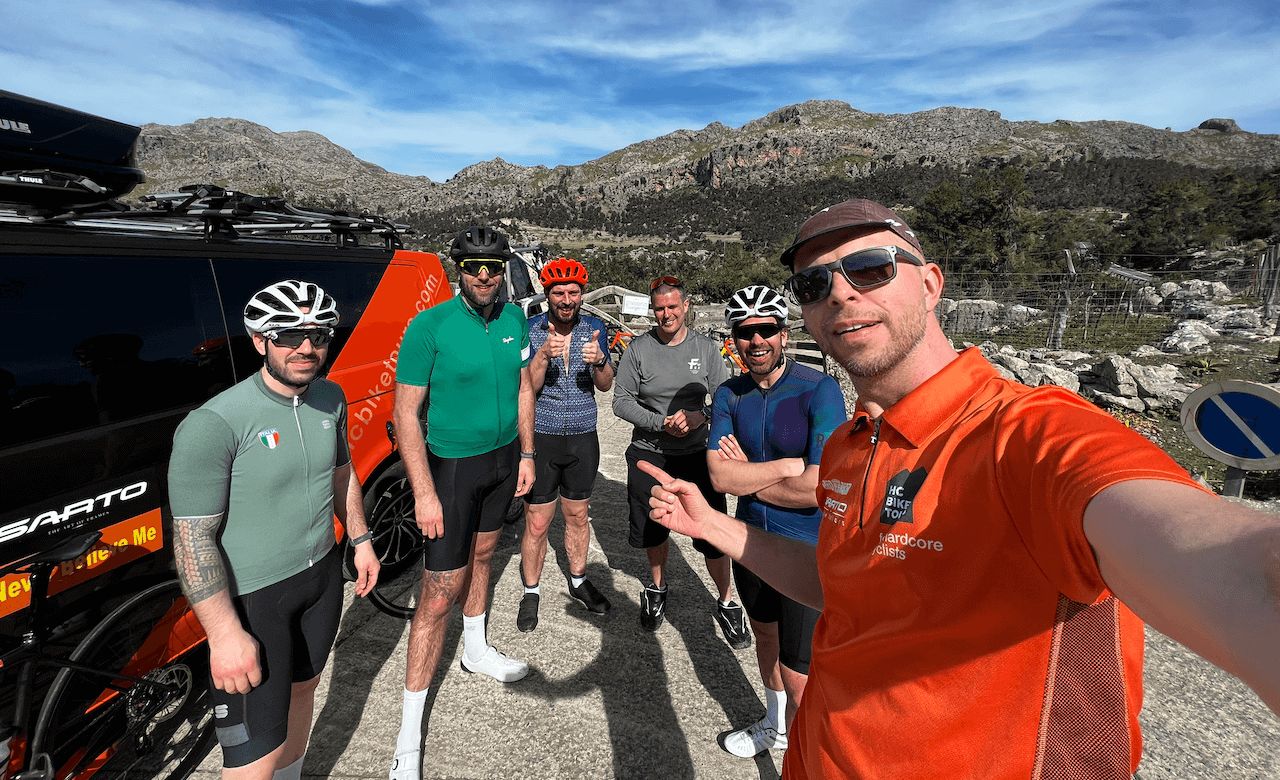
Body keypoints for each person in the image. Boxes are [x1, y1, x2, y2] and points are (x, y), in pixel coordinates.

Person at [642, 198, 1280, 780]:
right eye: (815, 283)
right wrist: (713, 524)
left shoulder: (1030, 434)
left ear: (931, 283)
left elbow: (1222, 557)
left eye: (870, 268)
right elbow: (844, 581)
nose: (839, 294)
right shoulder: (848, 444)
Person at [169, 280, 379, 780]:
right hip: (253, 598)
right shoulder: (214, 422)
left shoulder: (331, 396)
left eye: (319, 335)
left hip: (321, 578)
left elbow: (341, 472)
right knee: (253, 753)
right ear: (260, 341)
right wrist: (223, 635)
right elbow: (192, 540)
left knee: (304, 691)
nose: (307, 347)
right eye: (288, 335)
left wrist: (362, 537)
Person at [389, 225, 536, 780]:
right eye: (474, 266)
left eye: (493, 267)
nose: (484, 275)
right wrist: (424, 493)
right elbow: (406, 414)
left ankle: (475, 650)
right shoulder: (430, 327)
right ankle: (408, 734)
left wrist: (526, 454)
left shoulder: (515, 319)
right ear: (459, 271)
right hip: (452, 469)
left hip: (503, 463)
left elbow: (524, 388)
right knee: (436, 594)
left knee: (484, 557)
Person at [707, 285, 847, 758]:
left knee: (800, 671)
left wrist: (747, 476)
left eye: (767, 329)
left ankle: (807, 756)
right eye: (745, 332)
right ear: (734, 339)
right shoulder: (730, 392)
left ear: (784, 335)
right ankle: (775, 725)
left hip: (804, 546)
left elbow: (817, 486)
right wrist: (787, 468)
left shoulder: (819, 389)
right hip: (748, 540)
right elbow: (718, 475)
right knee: (763, 635)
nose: (756, 340)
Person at [612, 275, 748, 648]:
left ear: (686, 306)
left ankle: (725, 600)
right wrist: (660, 423)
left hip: (696, 455)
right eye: (659, 308)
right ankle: (657, 587)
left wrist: (702, 416)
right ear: (652, 310)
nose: (666, 314)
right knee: (654, 528)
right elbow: (620, 400)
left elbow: (725, 397)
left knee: (713, 533)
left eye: (673, 306)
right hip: (650, 453)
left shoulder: (706, 349)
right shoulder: (638, 349)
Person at [517, 257, 615, 631]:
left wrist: (601, 359)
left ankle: (577, 581)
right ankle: (531, 591)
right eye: (559, 292)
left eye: (573, 292)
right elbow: (530, 387)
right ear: (547, 294)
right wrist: (543, 354)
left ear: (581, 294)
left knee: (577, 515)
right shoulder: (530, 328)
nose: (567, 299)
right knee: (538, 522)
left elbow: (605, 384)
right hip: (541, 435)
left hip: (582, 437)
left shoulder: (594, 328)